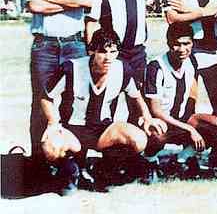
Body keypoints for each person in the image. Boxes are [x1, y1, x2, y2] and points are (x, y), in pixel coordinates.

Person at [39, 29, 167, 195]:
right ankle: (70, 171)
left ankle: (104, 167)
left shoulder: (122, 69)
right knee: (50, 146)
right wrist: (52, 122)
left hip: (103, 132)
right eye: (102, 52)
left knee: (139, 140)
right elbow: (46, 97)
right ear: (91, 50)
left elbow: (136, 96)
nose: (108, 58)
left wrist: (147, 117)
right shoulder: (72, 68)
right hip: (73, 131)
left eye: (113, 52)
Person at [144, 22, 217, 172]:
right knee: (157, 134)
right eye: (176, 44)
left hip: (184, 120)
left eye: (186, 43)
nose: (182, 49)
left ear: (192, 43)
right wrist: (190, 129)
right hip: (163, 121)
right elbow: (156, 110)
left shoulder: (194, 59)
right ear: (168, 43)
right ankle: (149, 160)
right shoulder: (156, 67)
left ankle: (182, 158)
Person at [26, 0, 92, 159]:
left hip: (75, 43)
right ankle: (38, 160)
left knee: (74, 102)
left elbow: (87, 1)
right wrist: (70, 2)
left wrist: (52, 0)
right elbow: (35, 5)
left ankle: (73, 158)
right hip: (45, 45)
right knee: (42, 101)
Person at [86, 0, 153, 122]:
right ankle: (108, 147)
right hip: (114, 53)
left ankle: (136, 145)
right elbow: (92, 21)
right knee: (109, 100)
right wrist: (92, 51)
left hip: (138, 52)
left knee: (138, 100)